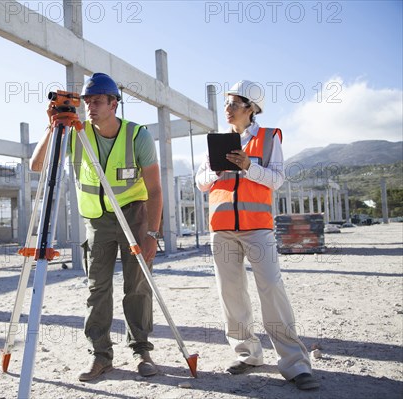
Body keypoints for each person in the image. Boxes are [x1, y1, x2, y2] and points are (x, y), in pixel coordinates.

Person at [30, 73, 163, 381]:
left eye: (97, 101)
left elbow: (155, 190)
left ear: (114, 104)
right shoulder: (76, 133)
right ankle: (101, 356)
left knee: (137, 287)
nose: (90, 107)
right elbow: (37, 166)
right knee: (97, 290)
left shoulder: (137, 136)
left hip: (134, 217)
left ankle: (142, 351)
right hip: (98, 222)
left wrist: (153, 234)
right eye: (87, 101)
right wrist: (53, 127)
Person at [196, 80, 320, 390]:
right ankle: (247, 354)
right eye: (226, 103)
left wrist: (249, 167)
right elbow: (200, 181)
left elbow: (277, 179)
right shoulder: (217, 141)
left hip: (257, 228)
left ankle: (294, 363)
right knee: (231, 293)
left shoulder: (267, 139)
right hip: (222, 230)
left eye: (234, 104)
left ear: (251, 108)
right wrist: (216, 169)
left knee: (271, 291)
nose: (228, 109)